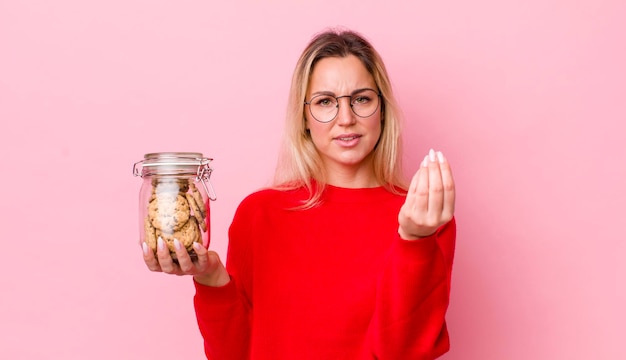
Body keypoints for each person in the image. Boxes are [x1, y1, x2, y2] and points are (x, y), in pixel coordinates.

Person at [142, 28, 456, 360]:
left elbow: (403, 351)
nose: (345, 119)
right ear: (305, 117)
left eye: (362, 98)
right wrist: (212, 278)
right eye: (325, 102)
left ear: (382, 109)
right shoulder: (259, 214)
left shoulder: (423, 215)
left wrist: (415, 240)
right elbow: (233, 353)